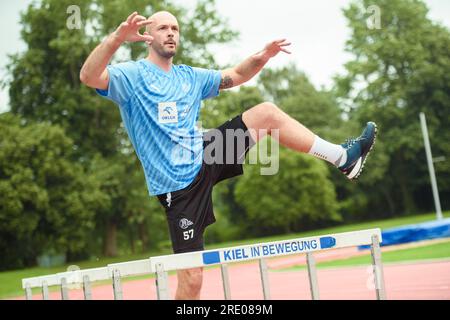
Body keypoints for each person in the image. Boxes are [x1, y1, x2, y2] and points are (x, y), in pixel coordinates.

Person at [80, 11, 377, 300]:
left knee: (267, 114)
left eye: (176, 28)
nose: (171, 33)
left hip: (207, 153)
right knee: (192, 278)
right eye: (163, 28)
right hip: (178, 187)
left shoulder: (190, 77)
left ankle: (342, 158)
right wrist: (117, 38)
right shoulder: (132, 76)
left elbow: (235, 75)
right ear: (148, 36)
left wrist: (263, 56)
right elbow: (89, 76)